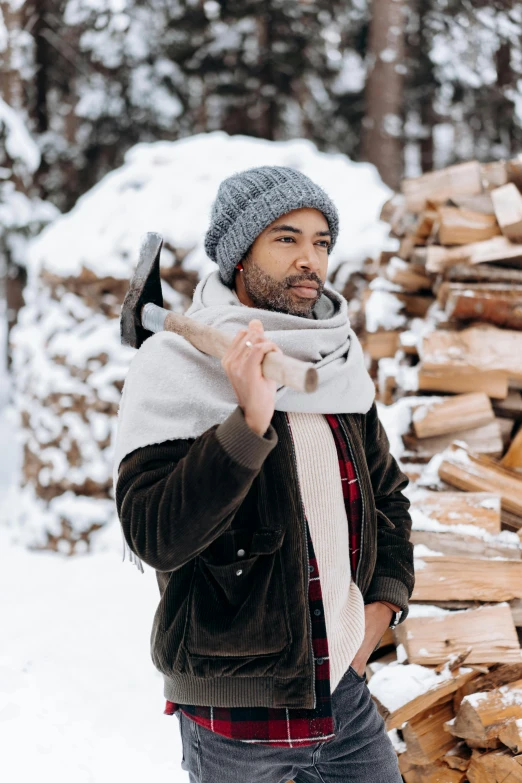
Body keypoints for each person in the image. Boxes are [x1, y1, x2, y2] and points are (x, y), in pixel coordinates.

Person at [113, 166, 414, 783]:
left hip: (344, 694)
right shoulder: (173, 366)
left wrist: (378, 615)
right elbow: (155, 535)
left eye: (321, 241)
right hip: (235, 715)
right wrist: (248, 422)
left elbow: (387, 503)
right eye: (286, 238)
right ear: (239, 254)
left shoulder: (334, 361)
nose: (310, 260)